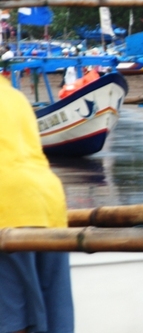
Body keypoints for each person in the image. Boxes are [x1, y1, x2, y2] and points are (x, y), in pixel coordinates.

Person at [0, 74, 74, 332]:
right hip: (48, 202)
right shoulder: (15, 97)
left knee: (11, 317)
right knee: (55, 309)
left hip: (7, 208)